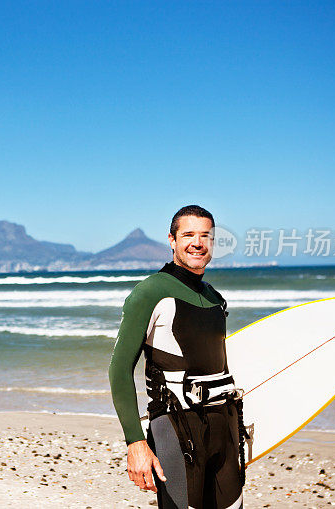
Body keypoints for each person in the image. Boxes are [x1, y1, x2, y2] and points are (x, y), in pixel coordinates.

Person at [108, 205, 244, 509]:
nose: (198, 242)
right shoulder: (150, 292)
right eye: (188, 235)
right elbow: (119, 370)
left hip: (224, 428)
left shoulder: (215, 298)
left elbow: (220, 367)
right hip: (175, 427)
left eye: (205, 235)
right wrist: (135, 443)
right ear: (172, 239)